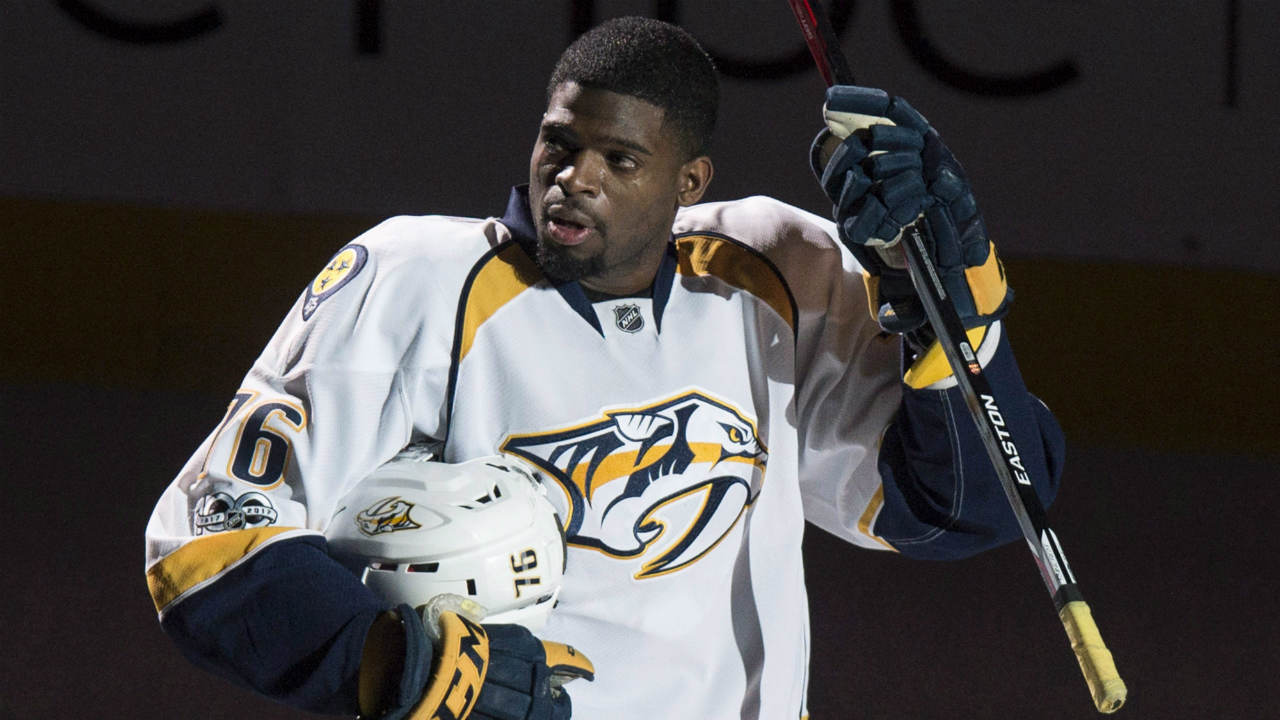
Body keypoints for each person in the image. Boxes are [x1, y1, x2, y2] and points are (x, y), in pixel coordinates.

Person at [144, 16, 1063, 720]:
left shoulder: (774, 274)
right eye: (560, 143)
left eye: (618, 159)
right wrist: (388, 663)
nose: (572, 178)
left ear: (688, 182)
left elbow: (961, 510)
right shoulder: (413, 281)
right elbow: (206, 539)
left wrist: (959, 315)